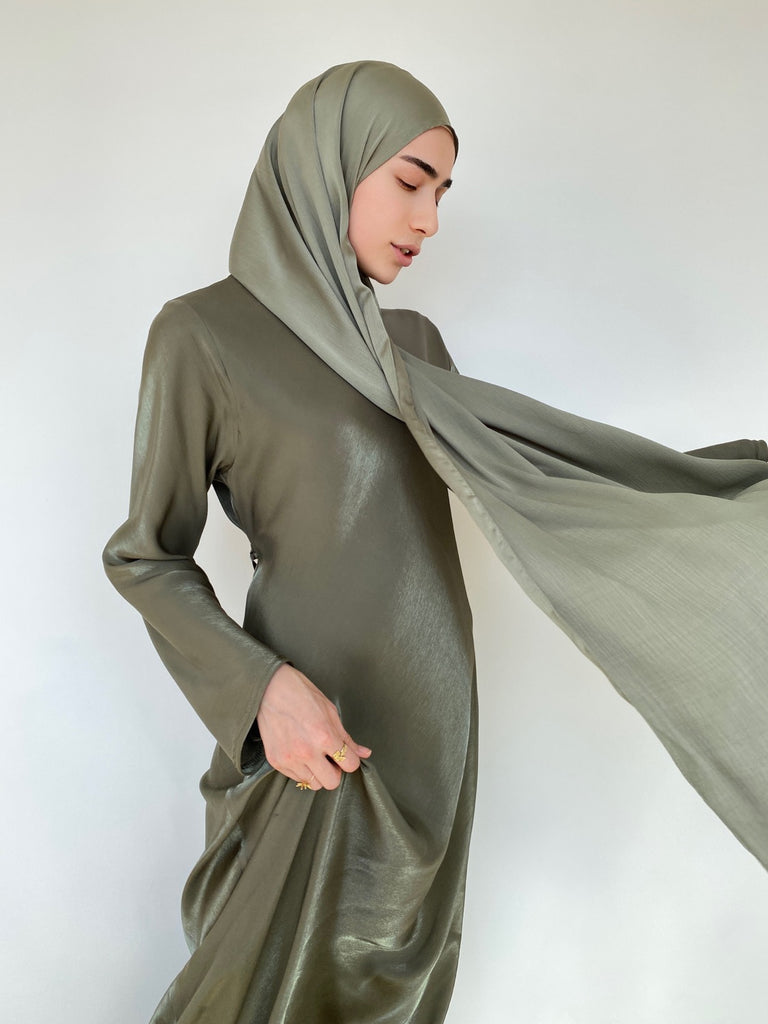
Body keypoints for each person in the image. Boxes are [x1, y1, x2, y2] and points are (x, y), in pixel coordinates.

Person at [104, 61, 768, 1023]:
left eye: (443, 194)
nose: (429, 220)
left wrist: (707, 496)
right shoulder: (202, 334)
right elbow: (145, 556)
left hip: (430, 738)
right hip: (308, 740)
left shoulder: (411, 344)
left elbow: (531, 480)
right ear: (330, 165)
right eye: (411, 181)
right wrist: (263, 692)